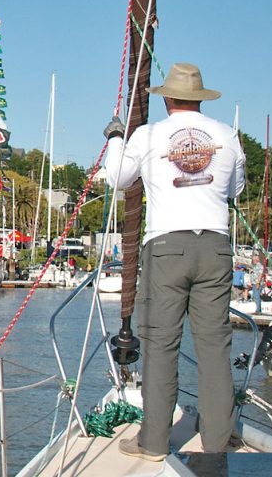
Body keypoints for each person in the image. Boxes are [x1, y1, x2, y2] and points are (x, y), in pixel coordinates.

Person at [103, 63, 246, 462]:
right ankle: (218, 441)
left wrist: (117, 137)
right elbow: (237, 187)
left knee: (161, 344)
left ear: (167, 98)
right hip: (216, 245)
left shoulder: (148, 135)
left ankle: (153, 442)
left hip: (166, 246)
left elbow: (116, 177)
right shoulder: (227, 134)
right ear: (200, 98)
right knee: (215, 346)